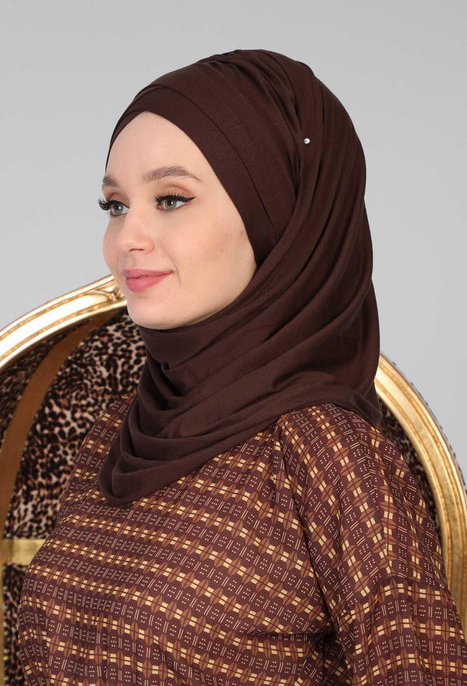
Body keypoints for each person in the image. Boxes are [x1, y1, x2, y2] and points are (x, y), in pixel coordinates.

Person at [18, 49, 467, 684]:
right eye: (115, 205)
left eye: (171, 199)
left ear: (276, 215)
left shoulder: (331, 456)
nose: (126, 239)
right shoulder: (115, 432)